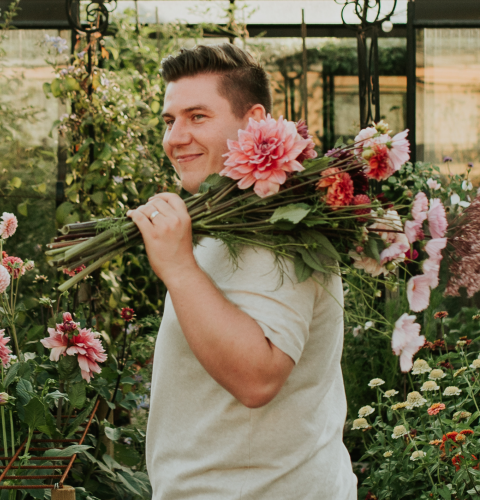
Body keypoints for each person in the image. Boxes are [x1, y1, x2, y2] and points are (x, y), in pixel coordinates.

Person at [129, 43, 355, 498]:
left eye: (197, 117)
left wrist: (177, 266)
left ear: (253, 123)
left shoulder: (279, 228)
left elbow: (257, 378)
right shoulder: (229, 218)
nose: (175, 137)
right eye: (169, 120)